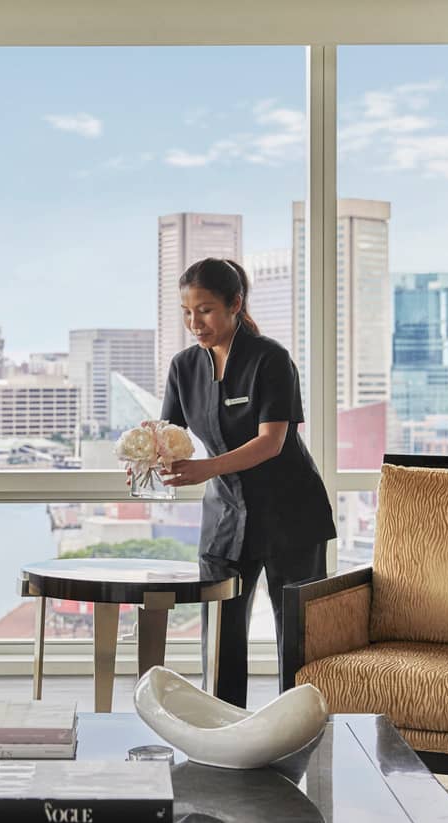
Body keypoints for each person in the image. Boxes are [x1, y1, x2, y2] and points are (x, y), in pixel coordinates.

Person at [156, 257, 336, 707]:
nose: (195, 323)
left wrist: (205, 469)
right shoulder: (184, 368)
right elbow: (169, 437)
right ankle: (221, 737)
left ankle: (296, 736)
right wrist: (146, 458)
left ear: (235, 304)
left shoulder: (270, 359)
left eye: (206, 310)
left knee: (297, 641)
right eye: (187, 311)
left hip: (289, 515)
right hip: (225, 519)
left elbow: (272, 442)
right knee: (219, 638)